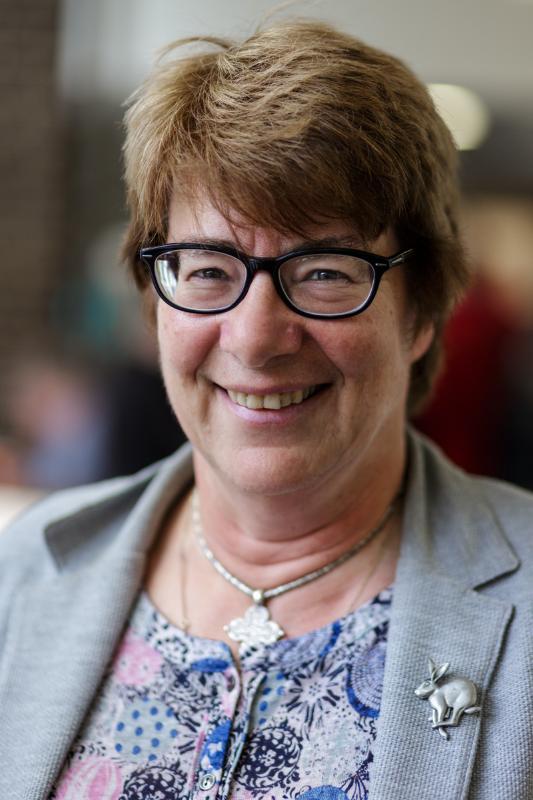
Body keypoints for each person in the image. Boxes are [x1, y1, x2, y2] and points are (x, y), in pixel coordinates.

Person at [1, 19, 532, 800]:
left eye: (323, 272)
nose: (253, 339)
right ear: (153, 304)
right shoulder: (26, 573)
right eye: (208, 269)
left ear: (420, 312)